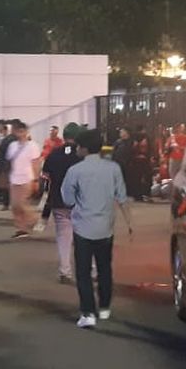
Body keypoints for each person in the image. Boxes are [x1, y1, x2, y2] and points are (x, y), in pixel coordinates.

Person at [62, 130, 132, 329]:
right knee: (104, 268)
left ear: (83, 148)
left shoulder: (75, 170)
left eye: (78, 146)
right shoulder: (113, 168)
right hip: (106, 227)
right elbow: (122, 196)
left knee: (83, 271)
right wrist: (130, 223)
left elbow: (67, 198)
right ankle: (104, 307)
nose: (76, 149)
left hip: (83, 226)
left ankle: (87, 312)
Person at [41, 123, 84, 284]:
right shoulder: (82, 155)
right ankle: (91, 270)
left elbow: (45, 177)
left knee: (64, 238)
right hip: (80, 202)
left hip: (59, 201)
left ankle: (65, 271)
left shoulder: (54, 154)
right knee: (85, 237)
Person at [5, 120, 41, 238]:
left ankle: (36, 219)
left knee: (22, 204)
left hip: (27, 178)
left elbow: (36, 163)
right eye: (18, 131)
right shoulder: (12, 146)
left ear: (26, 132)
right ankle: (21, 228)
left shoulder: (33, 146)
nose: (20, 133)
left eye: (22, 131)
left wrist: (36, 179)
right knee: (15, 206)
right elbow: (10, 161)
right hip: (14, 178)